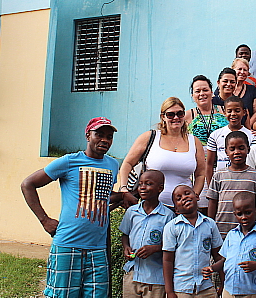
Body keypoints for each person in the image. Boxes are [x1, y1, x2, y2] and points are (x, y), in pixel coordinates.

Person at [21, 117, 122, 298]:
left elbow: (100, 195)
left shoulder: (113, 165)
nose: (105, 140)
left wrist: (123, 196)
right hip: (68, 244)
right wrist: (44, 220)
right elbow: (28, 184)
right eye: (99, 134)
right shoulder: (68, 161)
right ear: (87, 136)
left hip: (98, 248)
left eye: (109, 136)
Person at [119, 97, 206, 208]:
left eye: (180, 114)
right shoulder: (150, 137)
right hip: (152, 207)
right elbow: (127, 163)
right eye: (170, 114)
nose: (176, 118)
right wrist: (124, 188)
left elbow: (200, 174)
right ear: (163, 117)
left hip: (184, 208)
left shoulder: (194, 141)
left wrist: (194, 194)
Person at [203, 192, 256, 298]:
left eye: (248, 212)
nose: (244, 217)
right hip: (229, 291)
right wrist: (212, 268)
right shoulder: (231, 235)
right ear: (235, 214)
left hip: (251, 292)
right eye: (240, 214)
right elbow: (223, 260)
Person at [120, 170, 175, 298]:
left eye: (148, 184)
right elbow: (125, 234)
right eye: (140, 184)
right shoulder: (132, 212)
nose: (143, 187)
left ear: (160, 188)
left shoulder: (168, 216)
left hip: (154, 278)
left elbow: (173, 245)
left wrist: (155, 248)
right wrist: (126, 247)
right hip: (132, 274)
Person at [207, 131, 256, 238]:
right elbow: (212, 201)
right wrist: (211, 225)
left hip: (248, 233)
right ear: (226, 151)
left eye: (241, 148)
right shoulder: (218, 175)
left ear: (248, 149)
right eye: (232, 149)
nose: (237, 152)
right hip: (221, 232)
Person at [163, 185, 223, 298]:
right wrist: (169, 291)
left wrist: (223, 283)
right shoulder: (171, 227)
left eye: (187, 193)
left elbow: (218, 256)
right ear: (176, 209)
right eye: (179, 198)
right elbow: (167, 261)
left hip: (206, 287)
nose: (184, 198)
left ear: (197, 197)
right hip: (181, 288)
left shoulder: (210, 224)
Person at [186, 75, 229, 210]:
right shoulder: (187, 116)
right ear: (192, 95)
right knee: (203, 207)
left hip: (224, 166)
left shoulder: (225, 111)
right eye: (197, 91)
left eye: (205, 90)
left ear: (212, 91)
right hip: (200, 170)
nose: (201, 94)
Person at [207, 96, 256, 172]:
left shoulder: (252, 136)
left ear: (244, 112)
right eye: (229, 111)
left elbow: (255, 162)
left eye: (237, 111)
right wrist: (210, 184)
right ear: (224, 113)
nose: (233, 114)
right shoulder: (215, 135)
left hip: (244, 178)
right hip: (222, 179)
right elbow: (209, 164)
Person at [231, 58, 256, 127]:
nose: (242, 72)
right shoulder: (225, 88)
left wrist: (247, 127)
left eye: (245, 70)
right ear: (233, 70)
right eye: (239, 69)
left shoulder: (252, 89)